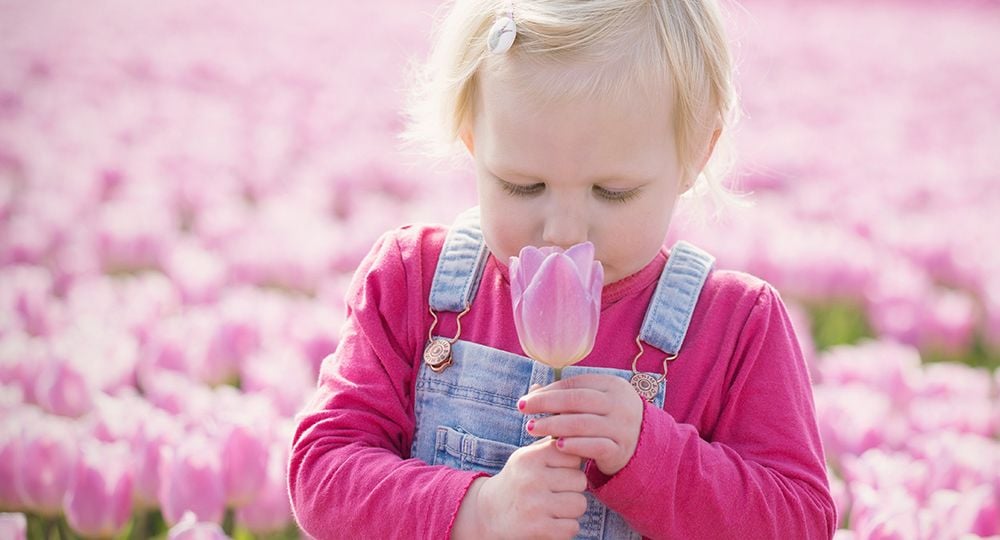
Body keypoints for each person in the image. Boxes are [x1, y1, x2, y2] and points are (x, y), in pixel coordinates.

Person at [288, 0, 836, 538]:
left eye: (611, 192)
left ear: (696, 153)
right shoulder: (414, 284)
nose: (564, 230)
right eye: (523, 186)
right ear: (474, 143)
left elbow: (800, 520)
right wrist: (475, 512)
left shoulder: (736, 325)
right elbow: (321, 471)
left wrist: (649, 453)